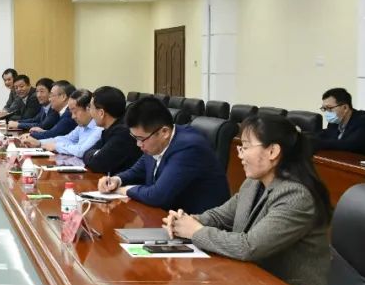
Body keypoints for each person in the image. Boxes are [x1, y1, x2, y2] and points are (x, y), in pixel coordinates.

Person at [163, 114, 333, 285]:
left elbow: (249, 247)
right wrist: (188, 221)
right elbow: (220, 216)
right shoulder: (253, 184)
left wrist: (196, 231)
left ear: (272, 151)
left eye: (245, 147)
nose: (240, 155)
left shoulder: (295, 196)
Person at [98, 97, 230, 213]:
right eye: (135, 138)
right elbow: (139, 169)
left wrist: (126, 190)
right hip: (167, 217)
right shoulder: (155, 142)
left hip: (199, 225)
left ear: (164, 132)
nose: (138, 144)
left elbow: (157, 196)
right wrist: (117, 180)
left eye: (141, 139)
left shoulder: (189, 147)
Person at [82, 86, 141, 174]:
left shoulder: (123, 133)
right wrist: (97, 153)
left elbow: (97, 163)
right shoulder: (111, 129)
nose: (90, 111)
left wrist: (97, 154)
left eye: (90, 107)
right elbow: (86, 153)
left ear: (101, 113)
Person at [313, 87, 365, 156]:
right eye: (324, 109)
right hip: (341, 159)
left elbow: (349, 145)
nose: (327, 112)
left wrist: (318, 143)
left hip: (361, 161)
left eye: (329, 108)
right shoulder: (334, 123)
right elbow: (326, 136)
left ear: (345, 108)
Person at [46, 89, 103, 157]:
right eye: (71, 112)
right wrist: (39, 143)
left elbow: (81, 151)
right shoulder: (82, 126)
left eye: (75, 112)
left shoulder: (99, 128)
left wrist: (57, 146)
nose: (73, 117)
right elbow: (66, 139)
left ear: (88, 108)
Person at [20, 81, 76, 146]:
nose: (49, 99)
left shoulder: (69, 114)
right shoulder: (64, 112)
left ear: (63, 97)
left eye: (52, 95)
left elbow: (53, 134)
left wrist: (29, 135)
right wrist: (44, 131)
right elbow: (57, 133)